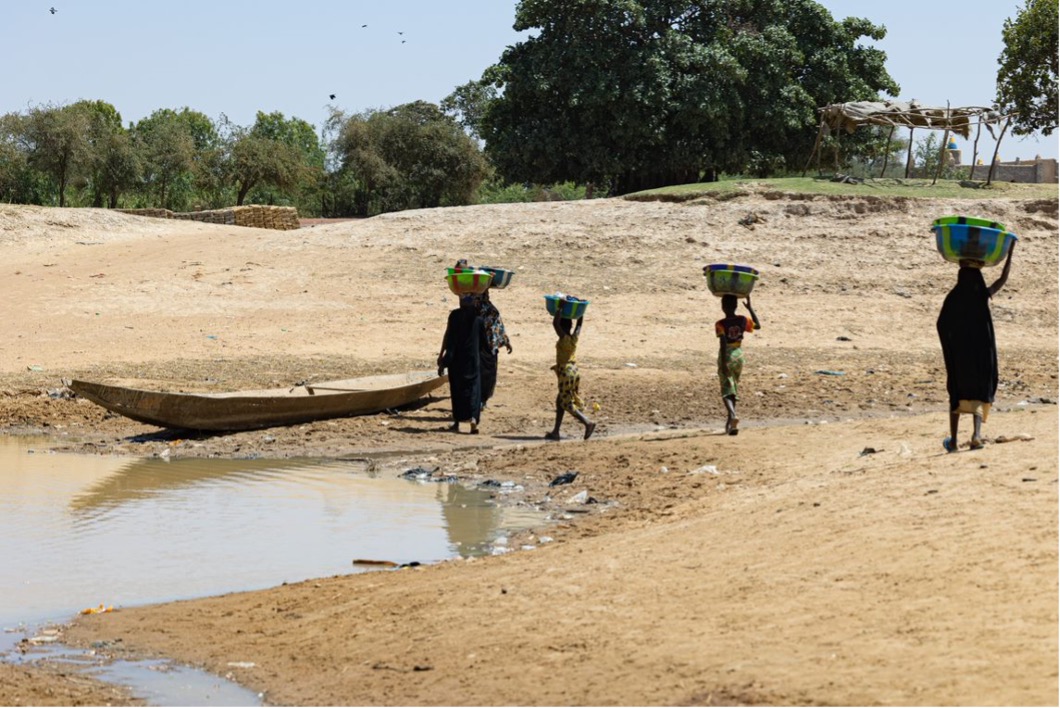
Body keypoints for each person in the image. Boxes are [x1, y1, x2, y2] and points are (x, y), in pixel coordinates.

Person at [936, 245, 1015, 451]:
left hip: (960, 357)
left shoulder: (953, 297)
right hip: (981, 357)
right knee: (979, 390)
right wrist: (1009, 253)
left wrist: (952, 344)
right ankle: (976, 436)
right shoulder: (982, 296)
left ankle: (953, 441)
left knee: (956, 391)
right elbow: (1002, 280)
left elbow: (941, 323)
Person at [437, 294, 484, 434]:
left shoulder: (455, 316)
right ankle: (474, 419)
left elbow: (450, 339)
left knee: (457, 391)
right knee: (474, 390)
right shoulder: (479, 319)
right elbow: (483, 344)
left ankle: (457, 421)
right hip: (473, 361)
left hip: (457, 361)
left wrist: (442, 360)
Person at [715, 293, 761, 435]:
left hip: (727, 355)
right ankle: (731, 425)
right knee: (734, 387)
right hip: (739, 355)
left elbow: (723, 344)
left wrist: (723, 363)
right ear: (735, 306)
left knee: (726, 390)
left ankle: (733, 416)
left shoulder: (720, 324)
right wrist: (750, 308)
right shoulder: (742, 320)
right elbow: (757, 326)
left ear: (723, 306)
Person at [546, 312, 596, 441]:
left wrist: (560, 309)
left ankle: (587, 422)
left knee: (566, 403)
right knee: (560, 401)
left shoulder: (564, 338)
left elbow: (555, 323)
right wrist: (580, 312)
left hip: (566, 372)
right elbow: (579, 325)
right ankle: (556, 431)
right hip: (574, 371)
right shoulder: (574, 338)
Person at [474, 288, 512, 408]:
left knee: (485, 375)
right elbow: (497, 325)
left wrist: (506, 340)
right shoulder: (481, 309)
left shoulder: (485, 308)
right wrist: (505, 341)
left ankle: (481, 400)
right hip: (485, 347)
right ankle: (480, 400)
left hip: (486, 347)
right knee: (485, 375)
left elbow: (497, 325)